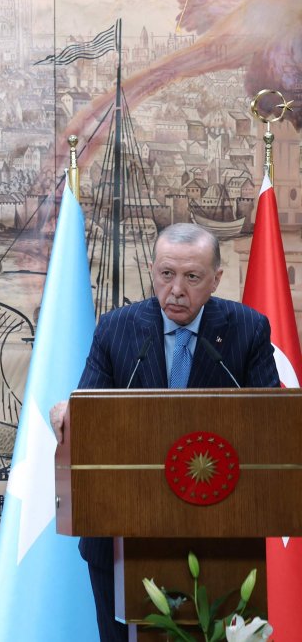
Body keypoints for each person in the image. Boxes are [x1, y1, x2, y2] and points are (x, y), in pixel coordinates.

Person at [50, 223, 278, 642]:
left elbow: (272, 424)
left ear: (216, 279)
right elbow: (87, 416)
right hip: (119, 537)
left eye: (192, 277)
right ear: (152, 270)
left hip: (221, 540)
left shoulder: (248, 330)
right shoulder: (116, 329)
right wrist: (70, 414)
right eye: (166, 274)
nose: (176, 290)